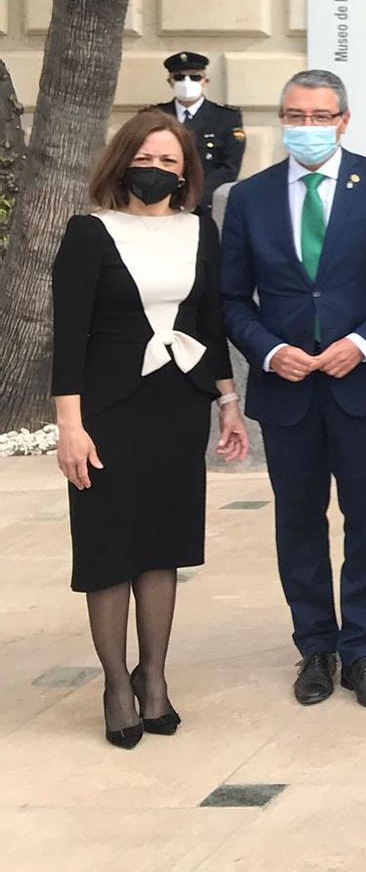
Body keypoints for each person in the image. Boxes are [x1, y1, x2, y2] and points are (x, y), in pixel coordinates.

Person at [220, 69, 366, 710]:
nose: (306, 128)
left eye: (319, 116)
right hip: (286, 390)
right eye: (294, 115)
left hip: (365, 386)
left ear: (343, 120)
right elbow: (230, 297)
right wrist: (269, 350)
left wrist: (363, 344)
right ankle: (315, 645)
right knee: (298, 522)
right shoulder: (250, 198)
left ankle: (362, 649)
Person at [52, 112, 249, 747]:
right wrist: (70, 426)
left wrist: (228, 402)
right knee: (111, 549)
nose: (157, 170)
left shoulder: (201, 231)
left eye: (170, 162)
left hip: (176, 405)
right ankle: (115, 684)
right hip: (108, 410)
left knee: (162, 546)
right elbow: (69, 338)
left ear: (187, 172)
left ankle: (154, 676)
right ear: (121, 160)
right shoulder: (89, 233)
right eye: (147, 158)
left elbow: (211, 323)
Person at [155, 51, 244, 208]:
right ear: (170, 82)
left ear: (205, 82)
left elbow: (230, 167)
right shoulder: (154, 115)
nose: (186, 82)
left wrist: (194, 196)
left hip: (205, 204)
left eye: (195, 77)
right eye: (179, 77)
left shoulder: (226, 118)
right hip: (161, 201)